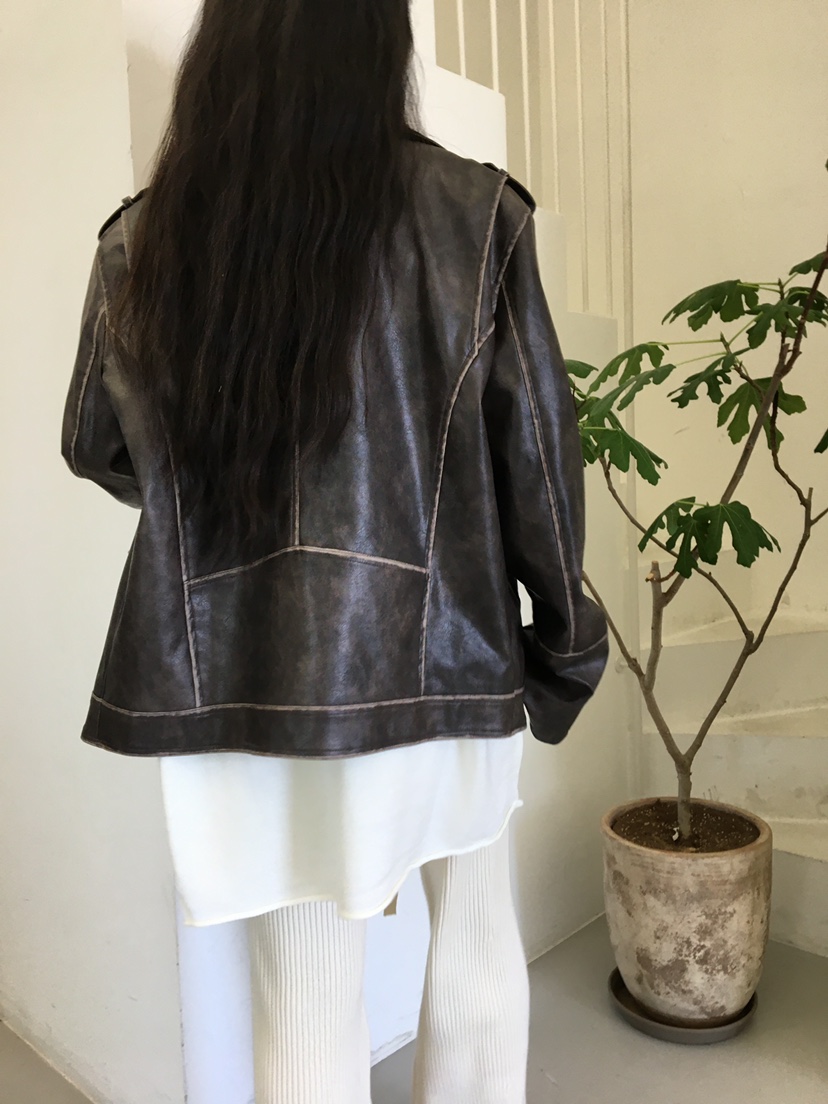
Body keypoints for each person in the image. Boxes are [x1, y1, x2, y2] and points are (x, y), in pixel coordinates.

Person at [61, 1, 608, 1101]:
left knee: (304, 997)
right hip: (449, 657)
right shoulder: (474, 215)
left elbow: (96, 445)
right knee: (474, 930)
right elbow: (539, 469)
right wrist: (564, 645)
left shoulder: (143, 241)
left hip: (246, 678)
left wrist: (209, 522)